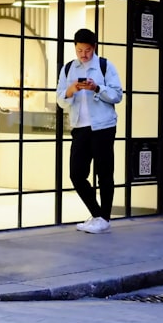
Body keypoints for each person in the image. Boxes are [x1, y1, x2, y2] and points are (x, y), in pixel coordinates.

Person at [56, 28, 123, 234]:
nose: (83, 55)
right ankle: (98, 215)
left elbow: (117, 95)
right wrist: (71, 90)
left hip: (103, 127)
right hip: (80, 127)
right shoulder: (68, 69)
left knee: (104, 173)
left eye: (86, 50)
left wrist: (96, 88)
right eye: (79, 50)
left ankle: (104, 218)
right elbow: (60, 100)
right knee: (76, 174)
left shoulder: (105, 66)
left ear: (93, 48)